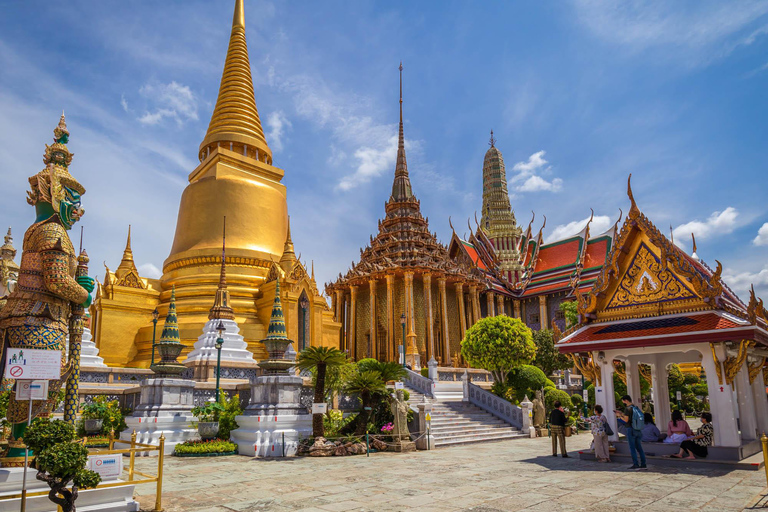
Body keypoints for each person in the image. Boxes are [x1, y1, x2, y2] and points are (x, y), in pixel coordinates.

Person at [615, 395, 646, 470]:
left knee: (632, 447)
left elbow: (626, 420)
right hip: (637, 429)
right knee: (639, 448)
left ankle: (635, 464)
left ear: (626, 400)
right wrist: (622, 414)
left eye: (623, 401)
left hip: (630, 429)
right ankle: (643, 463)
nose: (623, 402)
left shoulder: (627, 409)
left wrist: (619, 416)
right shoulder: (635, 407)